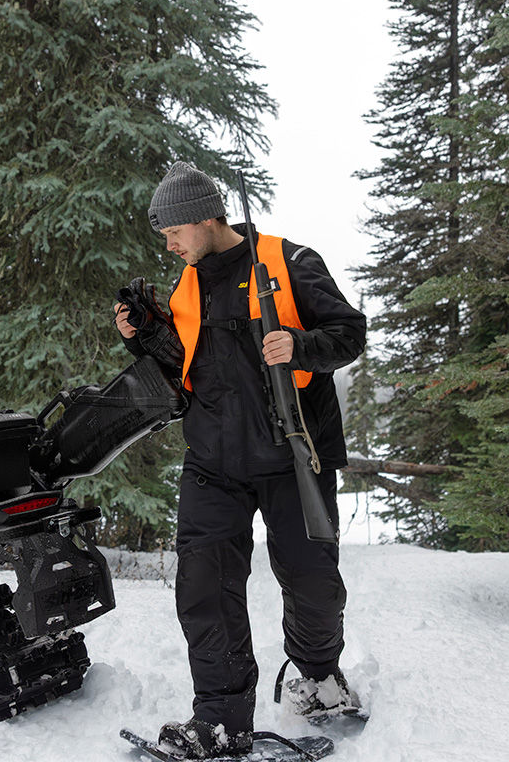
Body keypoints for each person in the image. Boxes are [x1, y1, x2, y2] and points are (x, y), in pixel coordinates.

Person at [114, 162, 367, 759]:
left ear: (206, 218)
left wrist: (300, 345)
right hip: (213, 464)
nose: (169, 245)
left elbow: (349, 333)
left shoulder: (290, 262)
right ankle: (222, 718)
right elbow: (184, 371)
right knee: (205, 587)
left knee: (313, 585)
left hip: (292, 458)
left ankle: (318, 677)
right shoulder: (186, 285)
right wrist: (141, 337)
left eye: (174, 231)